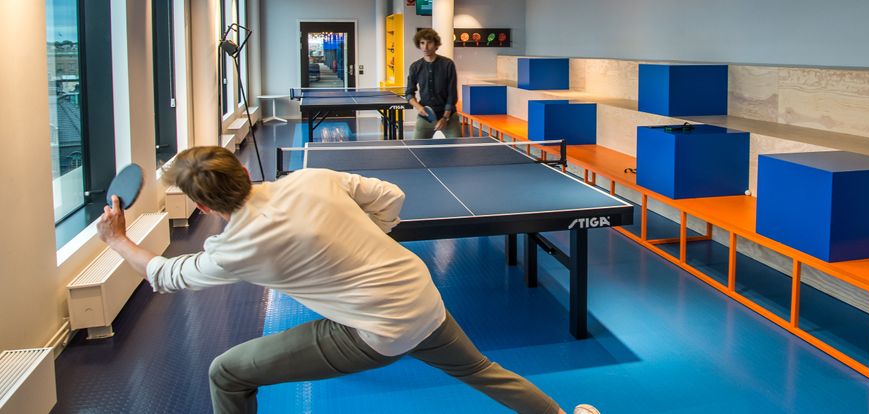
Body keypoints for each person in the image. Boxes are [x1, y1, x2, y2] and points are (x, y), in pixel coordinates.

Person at [97, 146, 598, 414]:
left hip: (373, 330)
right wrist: (364, 239)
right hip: (420, 297)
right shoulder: (311, 180)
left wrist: (118, 241)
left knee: (226, 373)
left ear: (204, 207)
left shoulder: (234, 249)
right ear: (243, 170)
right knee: (480, 369)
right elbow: (391, 197)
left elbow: (165, 274)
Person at [405, 28, 462, 139]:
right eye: (422, 43)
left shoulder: (448, 64)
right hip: (425, 116)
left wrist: (445, 118)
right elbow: (409, 93)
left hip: (448, 116)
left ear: (436, 45)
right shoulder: (415, 67)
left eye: (429, 43)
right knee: (416, 149)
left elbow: (452, 95)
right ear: (419, 45)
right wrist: (419, 108)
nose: (425, 47)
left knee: (456, 151)